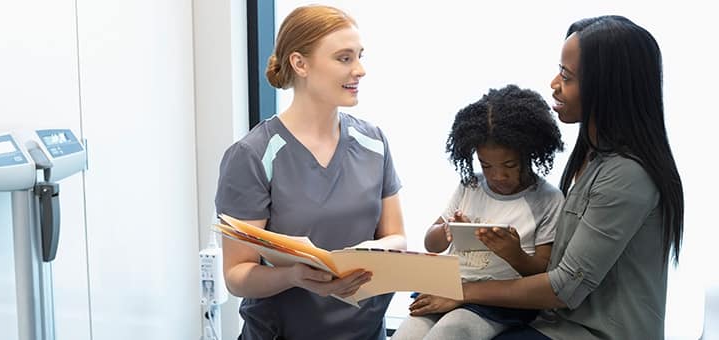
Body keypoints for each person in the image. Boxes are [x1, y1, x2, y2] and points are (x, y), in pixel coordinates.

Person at [406, 16, 685, 340]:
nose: (554, 83)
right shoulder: (590, 159)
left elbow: (563, 287)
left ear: (606, 89)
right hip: (555, 324)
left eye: (566, 76)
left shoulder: (625, 175)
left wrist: (464, 291)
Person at [214, 5, 406, 340]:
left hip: (365, 332)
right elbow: (236, 275)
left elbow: (397, 237)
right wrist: (294, 276)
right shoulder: (253, 155)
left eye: (360, 56)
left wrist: (370, 254)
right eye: (344, 58)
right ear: (300, 64)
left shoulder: (374, 142)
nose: (360, 70)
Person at [392, 84, 565, 340]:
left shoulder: (547, 199)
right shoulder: (470, 186)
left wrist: (514, 254)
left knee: (449, 333)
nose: (497, 175)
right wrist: (447, 230)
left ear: (530, 153)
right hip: (446, 286)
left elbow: (543, 275)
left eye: (509, 165)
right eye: (486, 165)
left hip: (496, 302)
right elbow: (432, 243)